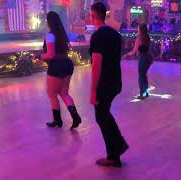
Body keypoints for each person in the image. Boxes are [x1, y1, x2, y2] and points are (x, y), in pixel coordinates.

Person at [89, 2, 129, 167]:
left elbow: (97, 64)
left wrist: (93, 90)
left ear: (93, 16)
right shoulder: (114, 34)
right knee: (104, 115)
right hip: (115, 81)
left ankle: (114, 153)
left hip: (104, 83)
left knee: (102, 116)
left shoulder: (97, 36)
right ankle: (117, 148)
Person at [38, 11, 81, 129]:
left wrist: (39, 57)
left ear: (49, 22)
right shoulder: (62, 34)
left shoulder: (50, 35)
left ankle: (57, 121)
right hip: (67, 64)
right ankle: (75, 116)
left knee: (52, 94)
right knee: (64, 93)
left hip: (56, 66)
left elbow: (51, 54)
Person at [123, 24, 153, 99]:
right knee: (144, 75)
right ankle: (145, 93)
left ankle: (142, 94)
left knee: (141, 76)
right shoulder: (147, 37)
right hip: (148, 57)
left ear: (140, 30)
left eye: (138, 28)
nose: (137, 29)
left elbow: (134, 52)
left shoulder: (139, 39)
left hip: (143, 57)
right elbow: (148, 49)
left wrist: (126, 54)